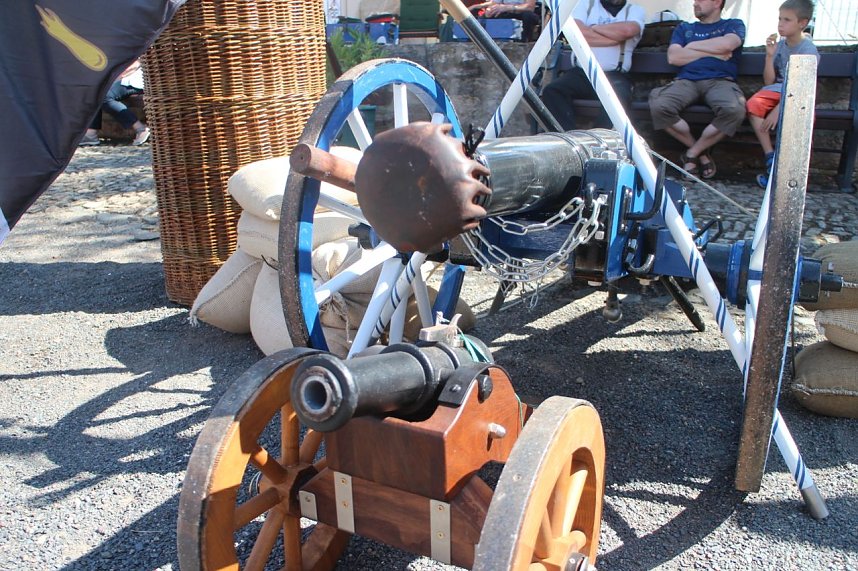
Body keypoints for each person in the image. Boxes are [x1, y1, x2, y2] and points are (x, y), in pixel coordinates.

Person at [648, 0, 746, 179]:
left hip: (720, 81)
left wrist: (691, 47)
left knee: (734, 109)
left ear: (717, 2)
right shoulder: (684, 28)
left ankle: (691, 154)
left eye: (700, 0)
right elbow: (674, 57)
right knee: (660, 105)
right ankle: (700, 153)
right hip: (686, 81)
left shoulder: (733, 24)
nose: (695, 3)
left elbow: (728, 45)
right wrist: (713, 51)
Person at [540, 0, 646, 131]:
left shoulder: (634, 10)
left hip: (614, 75)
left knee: (618, 98)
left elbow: (627, 31)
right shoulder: (585, 5)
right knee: (553, 91)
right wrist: (614, 38)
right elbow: (577, 33)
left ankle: (599, 141)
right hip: (582, 73)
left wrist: (593, 27)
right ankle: (566, 137)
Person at [747, 0, 818, 188]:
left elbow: (802, 85)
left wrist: (779, 109)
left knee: (796, 122)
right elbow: (769, 82)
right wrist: (769, 56)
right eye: (780, 19)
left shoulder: (807, 49)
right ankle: (771, 157)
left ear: (802, 23)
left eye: (787, 20)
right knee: (754, 105)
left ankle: (783, 172)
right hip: (777, 91)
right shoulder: (780, 46)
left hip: (798, 94)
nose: (780, 24)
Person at [80, 60, 150, 146]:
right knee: (96, 89)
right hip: (124, 77)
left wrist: (112, 79)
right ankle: (90, 134)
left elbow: (135, 64)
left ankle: (140, 128)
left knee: (104, 95)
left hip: (137, 78)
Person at [467, 0, 540, 42]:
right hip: (507, 11)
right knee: (488, 15)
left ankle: (526, 42)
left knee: (528, 16)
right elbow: (495, 3)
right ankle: (482, 41)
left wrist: (508, 7)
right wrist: (479, 6)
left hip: (525, 12)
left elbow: (529, 7)